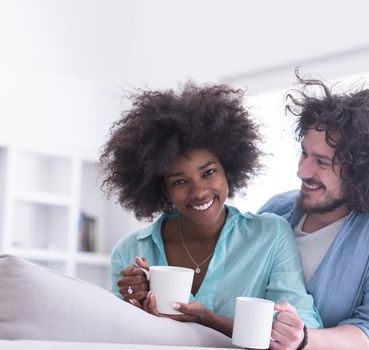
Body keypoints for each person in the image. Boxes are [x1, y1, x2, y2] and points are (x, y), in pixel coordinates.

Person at [99, 81, 322, 339]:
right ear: (163, 189)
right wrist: (134, 309)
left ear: (227, 167)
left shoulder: (270, 236)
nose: (199, 192)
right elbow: (120, 339)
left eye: (208, 173)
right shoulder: (131, 252)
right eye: (179, 182)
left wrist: (207, 318)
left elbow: (299, 327)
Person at [259, 71, 369, 350]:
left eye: (322, 162)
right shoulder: (278, 209)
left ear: (362, 171)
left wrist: (303, 340)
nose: (302, 171)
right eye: (304, 154)